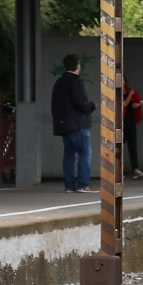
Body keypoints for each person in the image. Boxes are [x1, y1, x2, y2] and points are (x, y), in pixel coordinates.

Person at [50, 53, 97, 193]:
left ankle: (69, 185)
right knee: (84, 154)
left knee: (69, 155)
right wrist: (91, 106)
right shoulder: (75, 81)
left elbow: (55, 105)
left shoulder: (59, 82)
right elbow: (80, 103)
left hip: (64, 125)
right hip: (78, 124)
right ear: (77, 66)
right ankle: (83, 184)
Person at [123, 75, 143, 179]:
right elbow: (124, 104)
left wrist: (139, 104)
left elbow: (142, 101)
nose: (122, 81)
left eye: (123, 79)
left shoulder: (131, 90)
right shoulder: (117, 92)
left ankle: (135, 169)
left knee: (132, 145)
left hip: (131, 121)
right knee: (118, 146)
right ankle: (117, 170)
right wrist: (130, 95)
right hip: (121, 122)